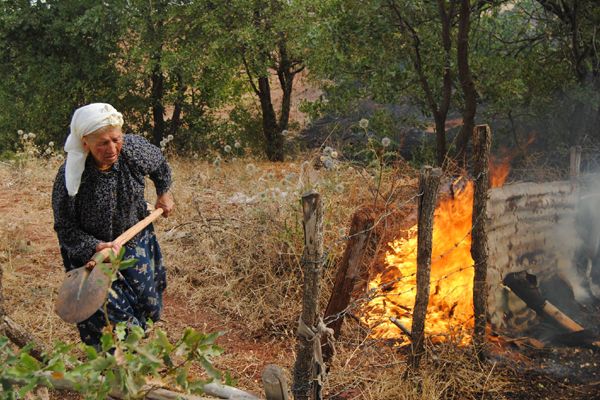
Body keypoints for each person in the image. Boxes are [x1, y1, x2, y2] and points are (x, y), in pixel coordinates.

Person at [51, 103, 174, 348]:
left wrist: (164, 192)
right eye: (102, 143)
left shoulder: (133, 150)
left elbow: (159, 165)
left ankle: (140, 352)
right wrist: (95, 246)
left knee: (147, 302)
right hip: (95, 255)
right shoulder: (71, 177)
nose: (111, 148)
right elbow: (64, 227)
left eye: (115, 140)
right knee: (113, 316)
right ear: (85, 143)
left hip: (135, 238)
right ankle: (118, 366)